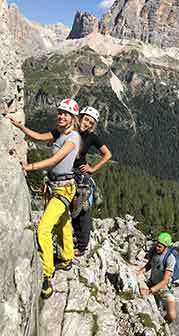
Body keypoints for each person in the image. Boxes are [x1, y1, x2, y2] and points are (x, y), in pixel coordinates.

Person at [7, 98, 81, 299]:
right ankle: (66, 257)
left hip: (64, 189)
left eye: (65, 114)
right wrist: (20, 126)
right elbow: (40, 136)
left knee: (44, 229)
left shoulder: (73, 138)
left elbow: (54, 160)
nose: (61, 116)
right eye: (59, 112)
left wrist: (28, 167)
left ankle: (48, 275)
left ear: (72, 118)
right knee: (64, 223)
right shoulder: (58, 133)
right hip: (58, 185)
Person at [72, 106, 111, 256]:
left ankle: (82, 246)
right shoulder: (70, 130)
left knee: (82, 211)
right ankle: (74, 240)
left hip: (79, 176)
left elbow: (107, 154)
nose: (87, 123)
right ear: (80, 117)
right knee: (72, 209)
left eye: (91, 122)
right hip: (66, 173)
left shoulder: (92, 137)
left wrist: (93, 168)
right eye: (86, 119)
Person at [137, 232, 177, 323]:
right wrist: (140, 271)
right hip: (152, 282)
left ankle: (163, 322)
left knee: (172, 316)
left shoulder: (170, 258)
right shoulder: (154, 252)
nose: (157, 248)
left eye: (160, 247)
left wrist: (149, 291)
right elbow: (149, 265)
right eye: (157, 245)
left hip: (164, 288)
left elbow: (165, 281)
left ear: (166, 247)